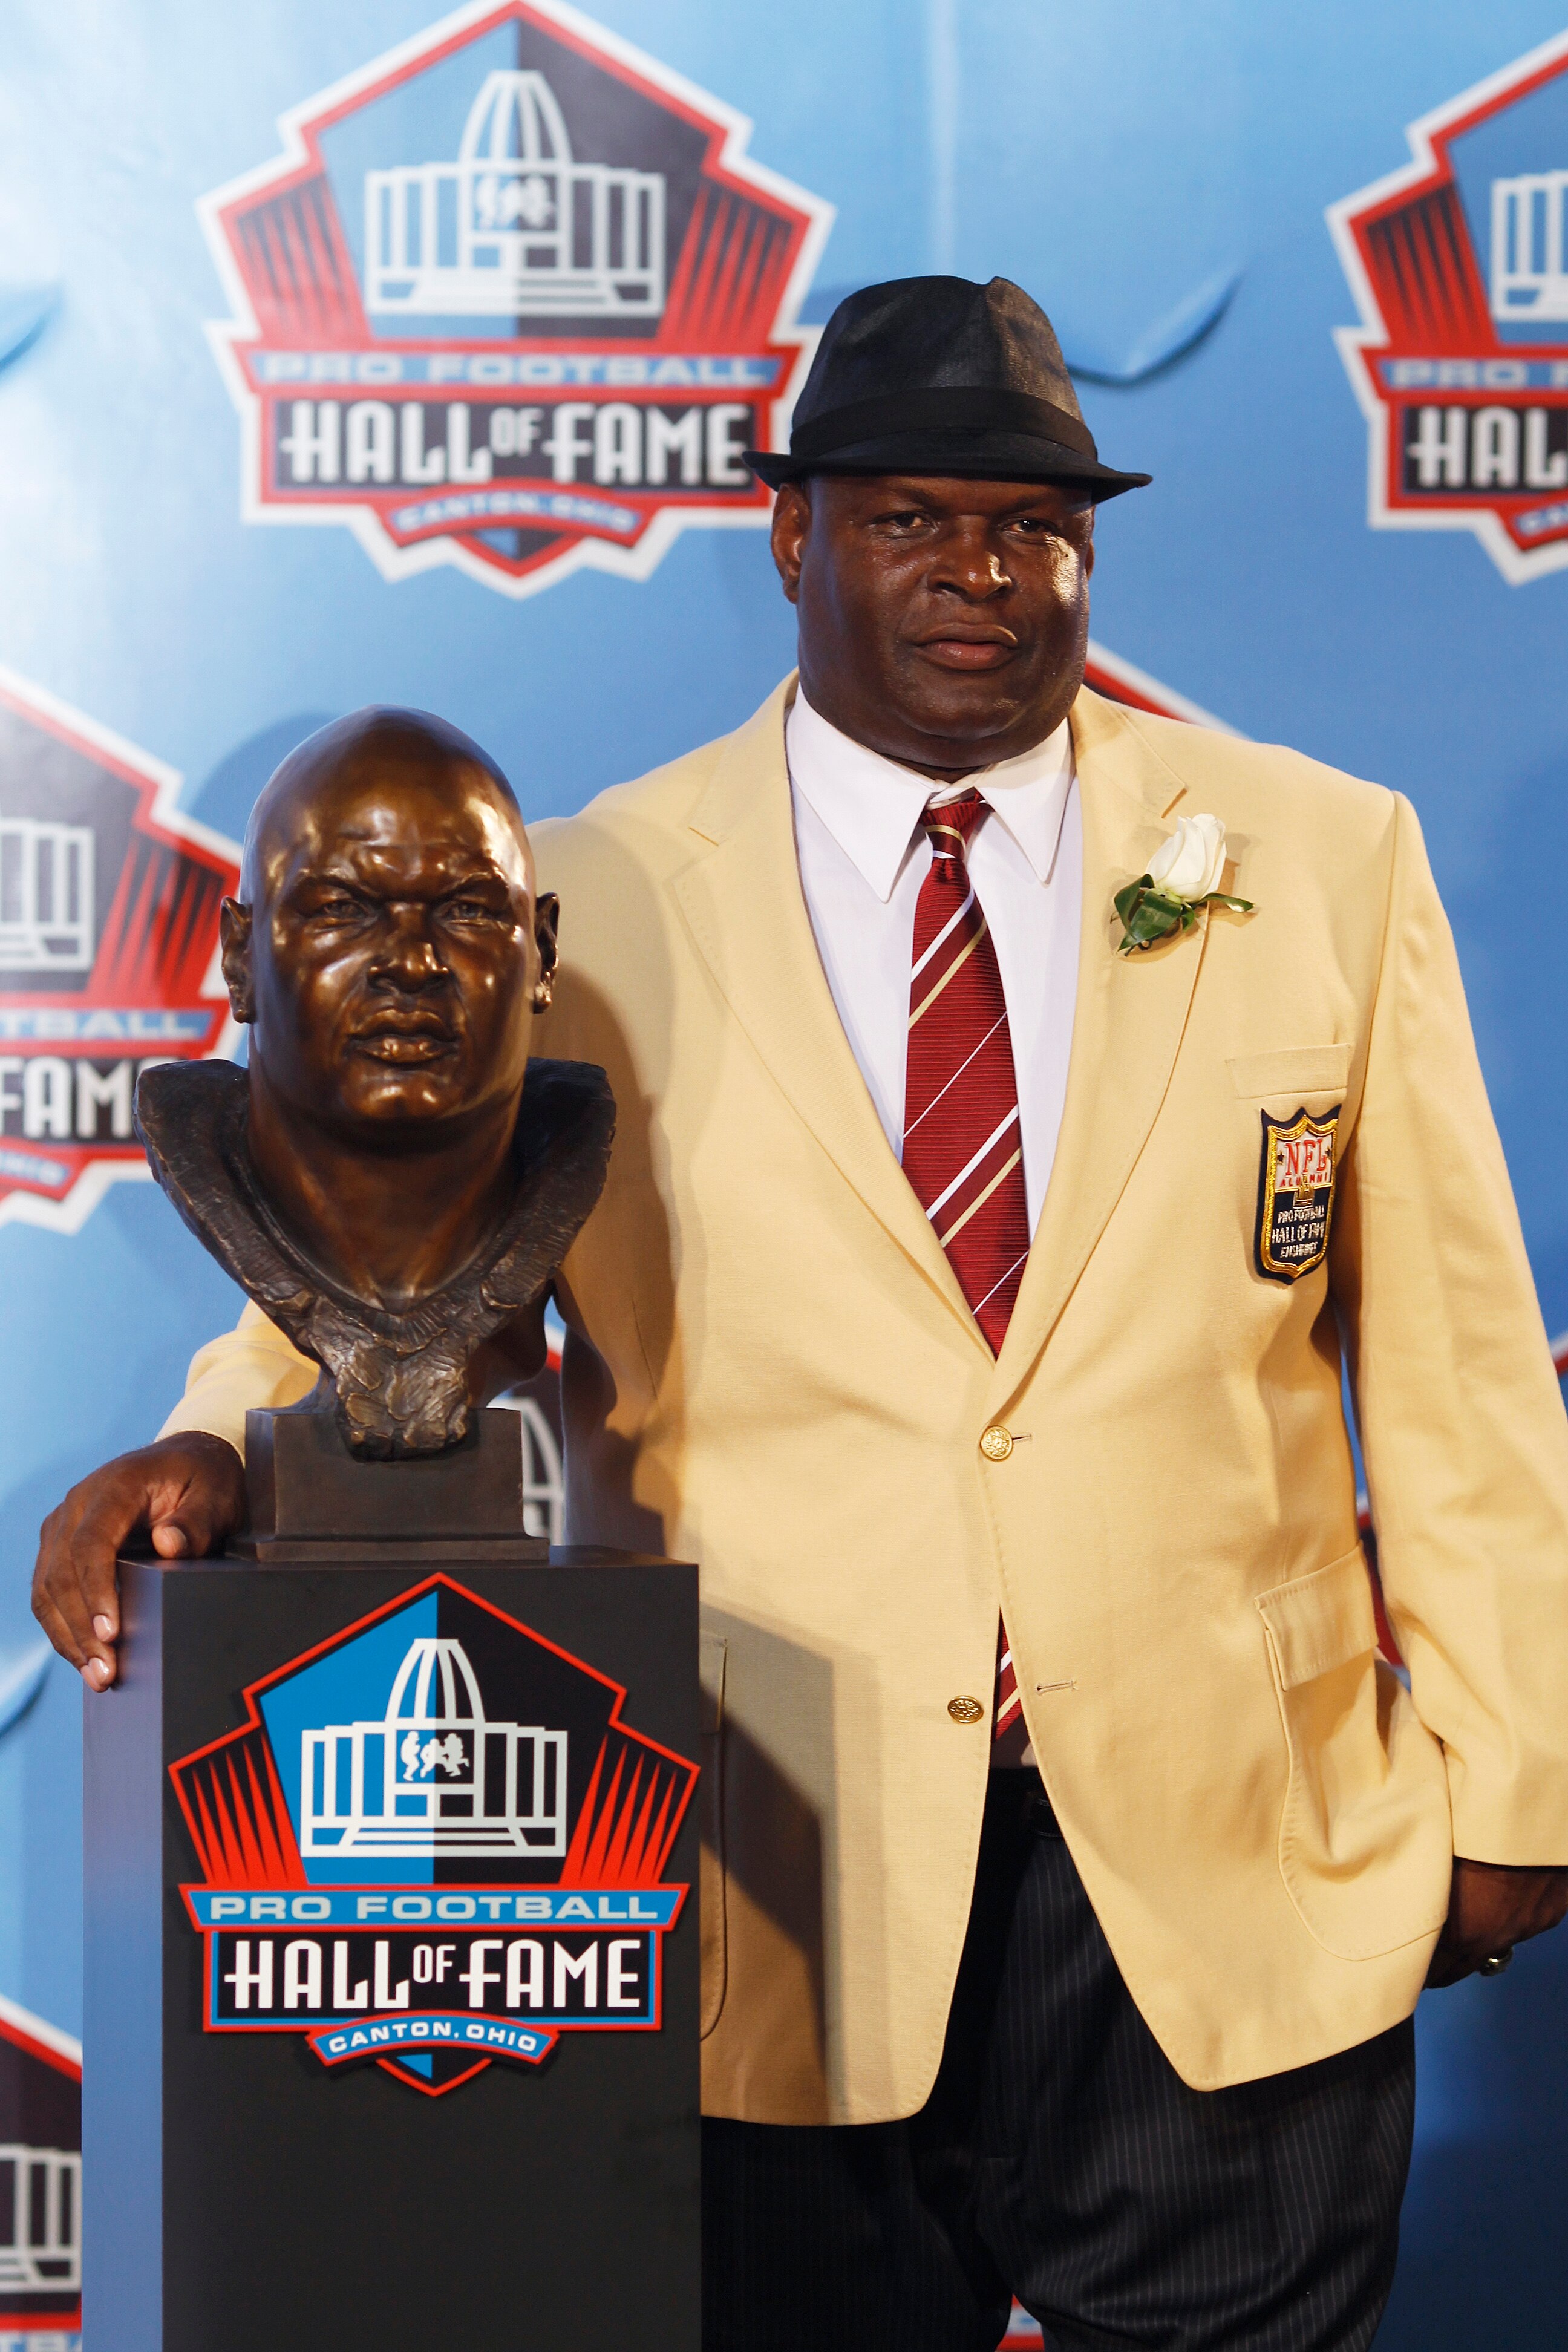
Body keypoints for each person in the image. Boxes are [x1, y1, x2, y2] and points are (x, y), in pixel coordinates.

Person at [34, 277, 1568, 2352]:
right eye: (909, 520)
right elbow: (395, 1250)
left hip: (1244, 1873)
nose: (980, 575)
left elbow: (1463, 1369)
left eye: (1033, 528)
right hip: (772, 1886)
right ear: (791, 536)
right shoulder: (585, 900)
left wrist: (1520, 1785)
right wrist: (213, 1439)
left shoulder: (1321, 857)